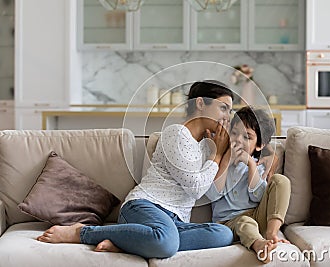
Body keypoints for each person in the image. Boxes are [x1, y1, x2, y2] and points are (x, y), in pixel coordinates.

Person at [36, 80, 235, 259]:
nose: (227, 117)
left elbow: (209, 191)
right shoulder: (176, 133)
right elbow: (196, 189)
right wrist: (216, 156)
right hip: (144, 207)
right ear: (200, 103)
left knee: (224, 234)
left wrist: (224, 153)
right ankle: (83, 233)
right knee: (166, 243)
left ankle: (132, 242)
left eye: (230, 111)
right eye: (223, 108)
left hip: (175, 223)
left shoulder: (205, 146)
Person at [205, 106, 291, 264]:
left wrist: (251, 165)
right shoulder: (219, 162)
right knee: (245, 222)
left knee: (281, 181)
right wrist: (226, 160)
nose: (238, 140)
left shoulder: (260, 166)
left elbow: (258, 196)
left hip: (259, 218)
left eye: (247, 137)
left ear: (259, 145)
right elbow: (211, 194)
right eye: (235, 133)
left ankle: (272, 234)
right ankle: (259, 245)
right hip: (229, 223)